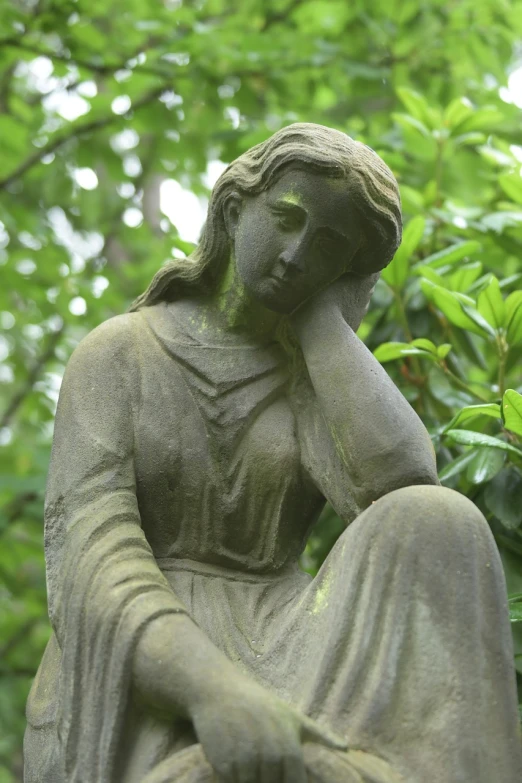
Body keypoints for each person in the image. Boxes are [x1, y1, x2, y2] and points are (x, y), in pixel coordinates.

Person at [24, 123, 522, 783]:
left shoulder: (310, 372)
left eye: (327, 246)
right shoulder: (120, 353)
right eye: (287, 220)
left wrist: (323, 320)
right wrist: (211, 690)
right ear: (235, 209)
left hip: (288, 636)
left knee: (444, 520)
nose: (296, 255)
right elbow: (92, 562)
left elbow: (402, 485)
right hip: (154, 647)